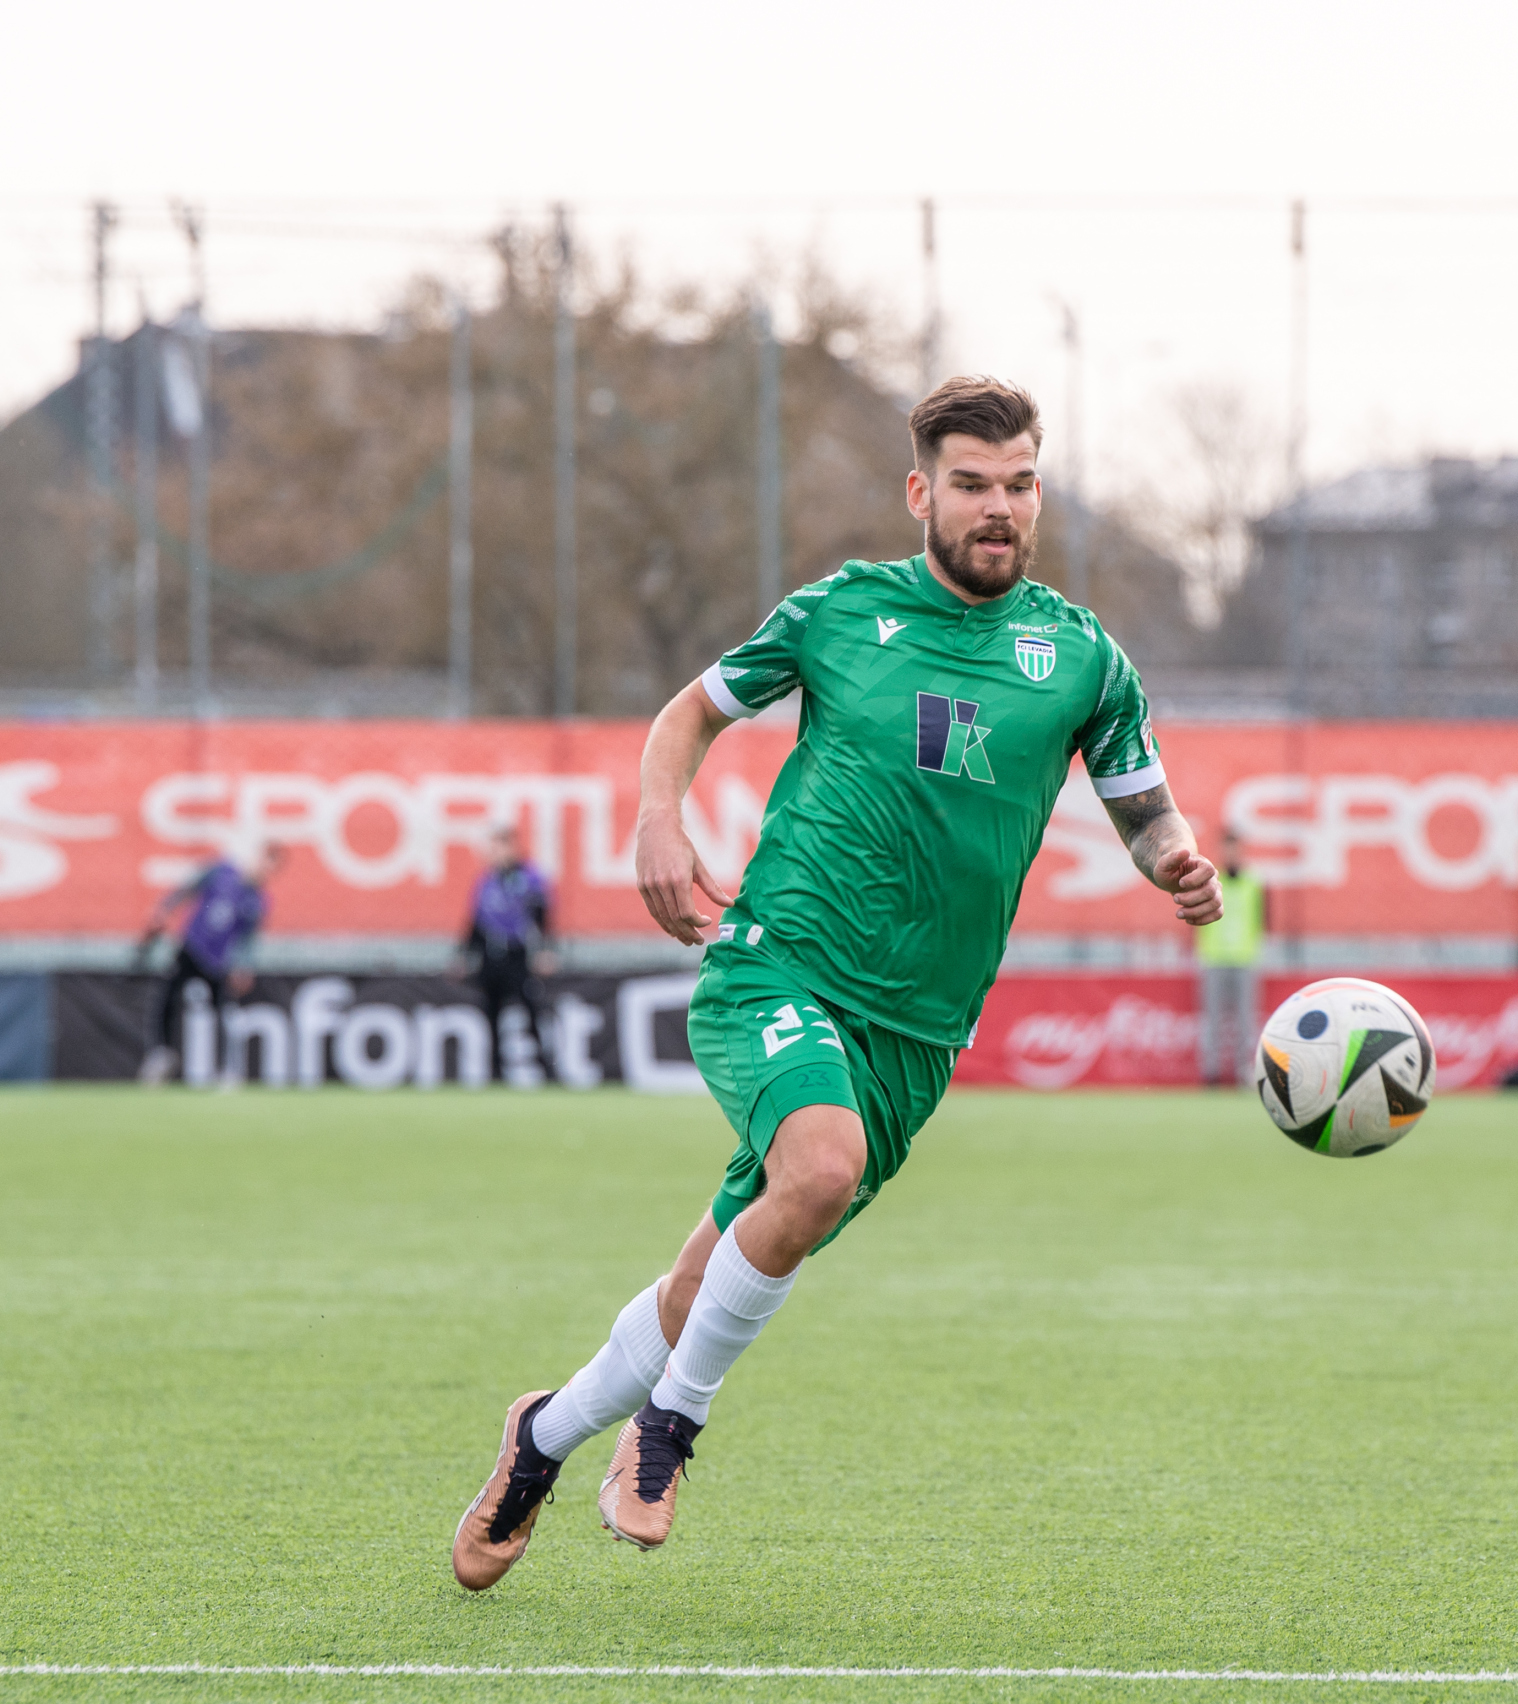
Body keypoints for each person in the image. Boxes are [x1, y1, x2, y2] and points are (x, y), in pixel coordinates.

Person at [450, 376, 1224, 1591]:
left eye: (1019, 485)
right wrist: (659, 821)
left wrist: (1172, 858)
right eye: (971, 485)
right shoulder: (839, 612)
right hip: (780, 965)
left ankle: (541, 1438)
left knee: (711, 1274)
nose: (998, 509)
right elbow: (684, 717)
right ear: (921, 493)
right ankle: (668, 1435)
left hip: (919, 1035)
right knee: (818, 1166)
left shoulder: (1082, 659)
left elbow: (1141, 806)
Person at [135, 845, 281, 1087]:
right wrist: (163, 910)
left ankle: (228, 1068)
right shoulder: (222, 871)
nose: (264, 869)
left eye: (270, 867)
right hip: (192, 947)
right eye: (264, 861)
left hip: (218, 962)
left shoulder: (257, 900)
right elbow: (187, 889)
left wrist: (244, 966)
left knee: (224, 1013)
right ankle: (161, 1053)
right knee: (167, 997)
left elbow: (247, 939)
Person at [462, 824, 555, 1085]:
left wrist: (545, 950)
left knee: (531, 1012)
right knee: (491, 1015)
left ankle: (546, 1071)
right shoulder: (486, 881)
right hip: (492, 956)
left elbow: (541, 916)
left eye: (497, 847)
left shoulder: (529, 877)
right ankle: (495, 1073)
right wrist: (465, 954)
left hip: (518, 955)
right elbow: (476, 923)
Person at [1194, 831, 1266, 1085]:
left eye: (1234, 849)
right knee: (1211, 1020)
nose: (1231, 854)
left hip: (1244, 960)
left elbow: (1262, 921)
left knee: (1246, 1020)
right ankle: (1211, 1073)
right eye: (1227, 849)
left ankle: (1244, 1072)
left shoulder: (1254, 884)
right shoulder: (1212, 880)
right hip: (1214, 959)